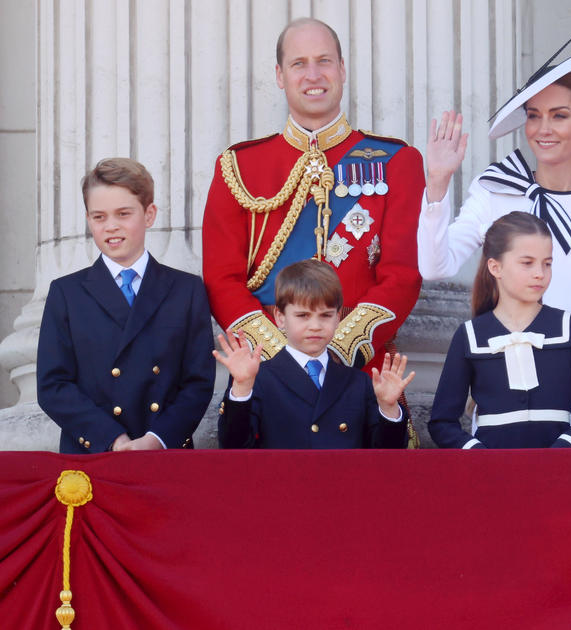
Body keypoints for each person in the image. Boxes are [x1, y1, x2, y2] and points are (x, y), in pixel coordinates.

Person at [418, 41, 571, 445]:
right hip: (502, 395)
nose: (543, 129)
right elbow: (436, 266)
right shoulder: (496, 190)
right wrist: (437, 185)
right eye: (534, 116)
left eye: (559, 116)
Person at [202, 17, 423, 371]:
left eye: (324, 61)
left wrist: (335, 353)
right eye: (298, 64)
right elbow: (221, 279)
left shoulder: (397, 162)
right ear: (280, 76)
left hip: (360, 375)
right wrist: (282, 358)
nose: (313, 75)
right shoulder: (238, 167)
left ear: (342, 69)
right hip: (266, 373)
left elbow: (402, 275)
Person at [37, 158, 216, 453]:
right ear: (88, 220)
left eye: (123, 214)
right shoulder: (66, 293)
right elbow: (53, 386)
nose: (111, 227)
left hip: (165, 454)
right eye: (99, 217)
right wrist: (112, 439)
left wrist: (157, 439)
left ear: (149, 214)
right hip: (94, 455)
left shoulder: (187, 290)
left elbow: (198, 382)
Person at [428, 212, 571, 449]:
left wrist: (564, 449)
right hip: (493, 478)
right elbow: (442, 422)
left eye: (547, 263)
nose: (539, 273)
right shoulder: (470, 335)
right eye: (527, 263)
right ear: (495, 267)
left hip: (559, 475)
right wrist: (478, 455)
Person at [214, 259, 415, 449]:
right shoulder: (258, 379)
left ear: (338, 318)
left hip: (345, 484)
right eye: (303, 316)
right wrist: (240, 390)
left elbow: (387, 456)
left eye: (325, 315)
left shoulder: (359, 382)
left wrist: (388, 409)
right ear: (280, 317)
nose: (315, 326)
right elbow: (234, 446)